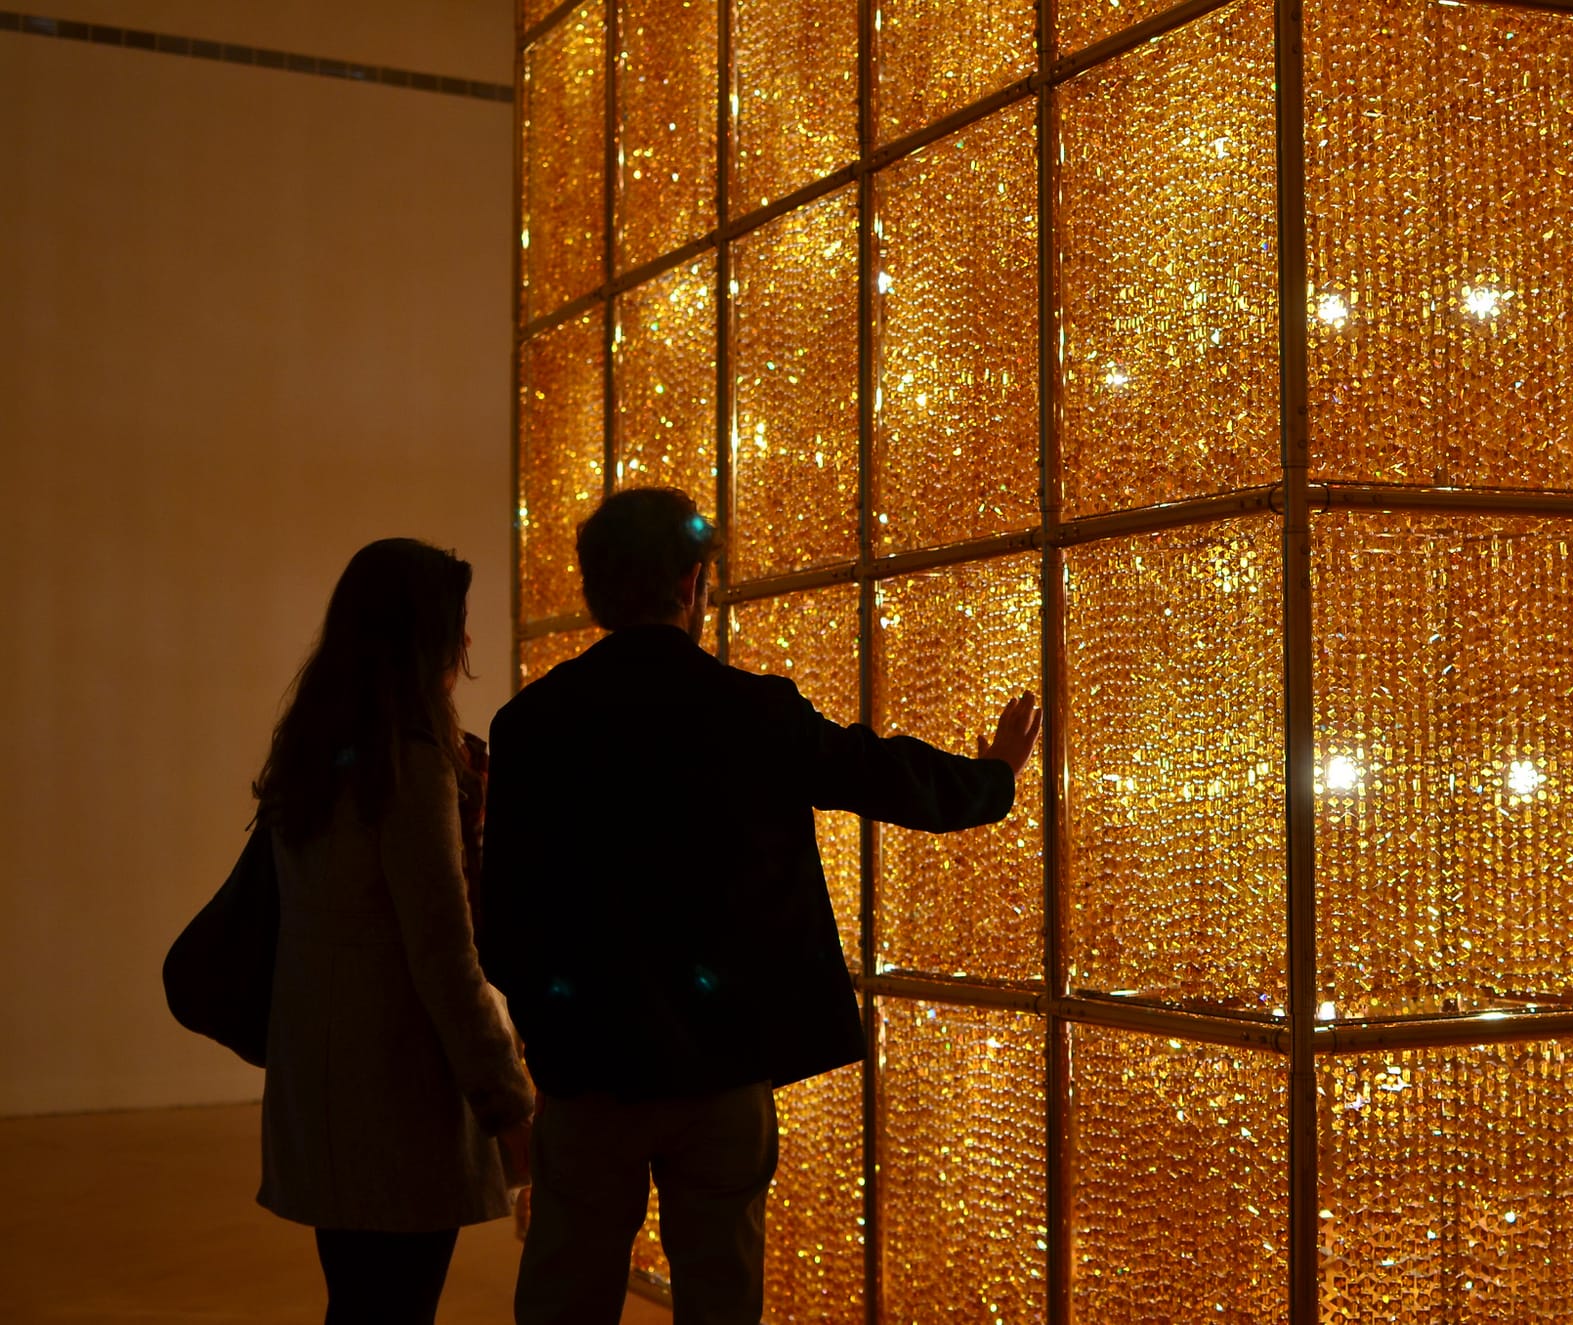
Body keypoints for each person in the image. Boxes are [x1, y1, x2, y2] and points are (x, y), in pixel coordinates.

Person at [483, 487, 1040, 1325]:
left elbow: (505, 913)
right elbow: (878, 774)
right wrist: (992, 776)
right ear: (693, 584)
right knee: (722, 1290)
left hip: (589, 1071)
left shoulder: (531, 724)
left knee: (567, 1289)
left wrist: (551, 1025)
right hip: (722, 1066)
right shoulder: (752, 711)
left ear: (597, 591)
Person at [253, 539, 536, 1324]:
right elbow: (444, 951)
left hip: (321, 1078)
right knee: (395, 1303)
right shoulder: (410, 765)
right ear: (426, 637)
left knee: (357, 1299)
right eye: (458, 624)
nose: (469, 643)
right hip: (396, 1094)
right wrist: (506, 1100)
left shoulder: (311, 754)